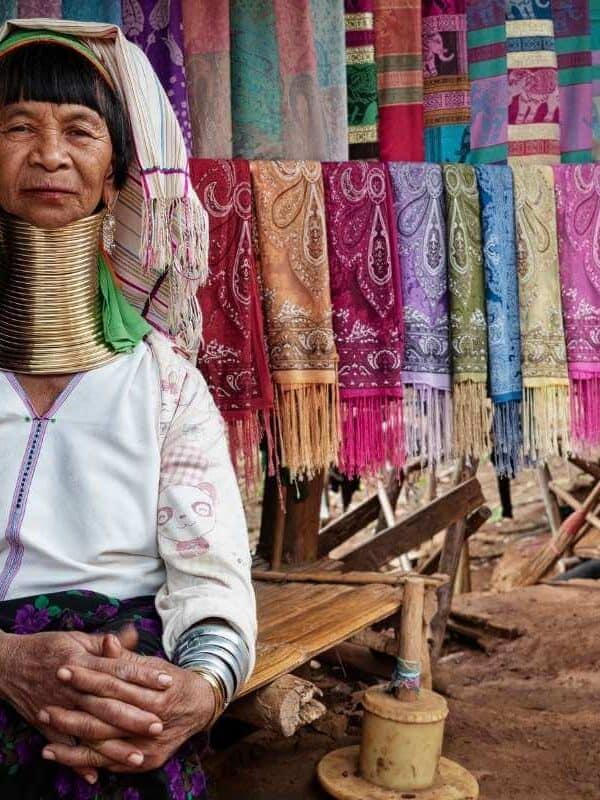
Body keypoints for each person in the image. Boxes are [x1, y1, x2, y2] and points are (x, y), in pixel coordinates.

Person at [0, 19, 256, 799]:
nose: (50, 155)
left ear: (115, 177)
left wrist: (195, 693)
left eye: (79, 130)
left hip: (125, 670)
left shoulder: (165, 382)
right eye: (17, 128)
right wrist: (7, 663)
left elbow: (211, 576)